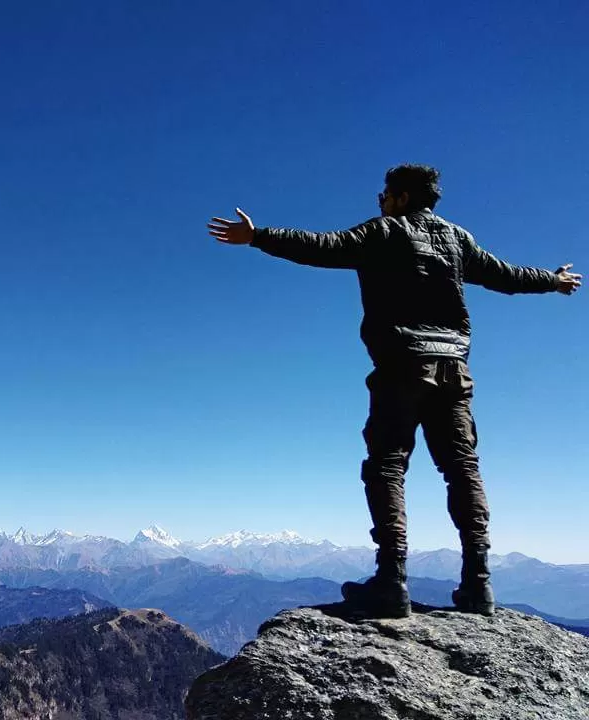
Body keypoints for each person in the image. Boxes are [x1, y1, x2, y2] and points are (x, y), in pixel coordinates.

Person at [207, 164, 581, 619]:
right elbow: (505, 275)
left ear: (401, 197)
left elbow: (323, 247)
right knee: (461, 466)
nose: (380, 201)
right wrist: (553, 280)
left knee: (386, 464)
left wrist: (259, 236)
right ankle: (479, 583)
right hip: (454, 367)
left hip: (403, 362)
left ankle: (391, 580)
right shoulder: (458, 239)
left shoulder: (385, 232)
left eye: (383, 194)